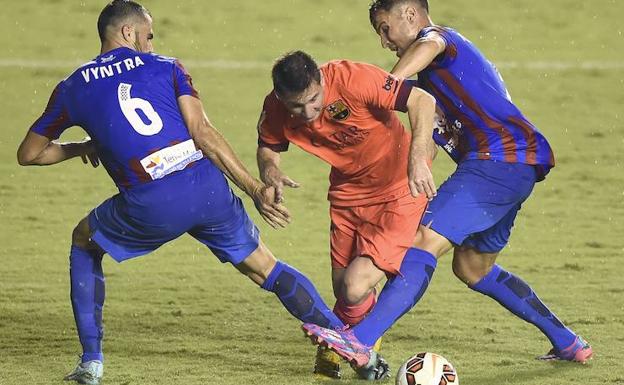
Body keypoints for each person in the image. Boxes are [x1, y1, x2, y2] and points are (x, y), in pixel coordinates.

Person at [17, 2, 347, 384]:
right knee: (267, 269)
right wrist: (255, 189)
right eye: (148, 34)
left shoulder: (72, 87)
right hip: (207, 190)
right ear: (128, 32)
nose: (149, 41)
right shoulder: (167, 65)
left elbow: (30, 154)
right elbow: (203, 133)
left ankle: (91, 362)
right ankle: (350, 344)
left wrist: (82, 146)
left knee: (83, 241)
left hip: (149, 205)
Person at [302, 0, 593, 370]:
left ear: (409, 14)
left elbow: (431, 44)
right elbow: (427, 143)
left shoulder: (440, 40)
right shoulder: (429, 90)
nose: (383, 40)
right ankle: (569, 343)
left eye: (384, 27)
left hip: (498, 160)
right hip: (513, 166)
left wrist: (385, 85)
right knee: (473, 268)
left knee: (424, 239)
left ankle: (359, 341)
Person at [256, 50, 437, 379]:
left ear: (321, 80)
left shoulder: (354, 79)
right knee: (344, 290)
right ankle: (358, 349)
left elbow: (422, 100)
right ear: (281, 98)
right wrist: (270, 173)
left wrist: (418, 157)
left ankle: (359, 348)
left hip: (399, 188)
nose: (309, 113)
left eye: (314, 100)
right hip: (348, 193)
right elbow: (268, 146)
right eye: (297, 106)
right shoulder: (275, 108)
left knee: (355, 285)